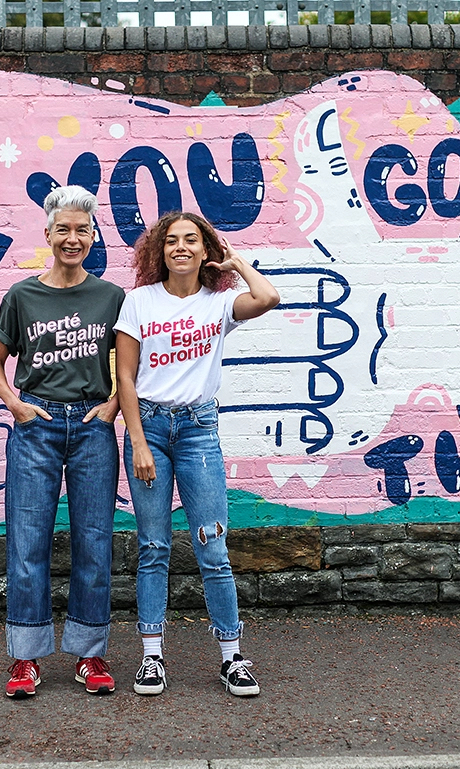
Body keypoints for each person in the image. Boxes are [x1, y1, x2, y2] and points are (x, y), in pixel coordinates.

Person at [114, 211, 280, 697]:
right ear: (158, 252)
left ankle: (232, 657)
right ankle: (151, 658)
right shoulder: (137, 302)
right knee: (153, 547)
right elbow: (125, 377)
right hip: (149, 429)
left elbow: (268, 298)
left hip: (198, 431)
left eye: (192, 240)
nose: (180, 248)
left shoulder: (221, 303)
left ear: (205, 249)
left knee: (212, 547)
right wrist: (139, 440)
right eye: (171, 241)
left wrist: (237, 261)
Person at [0, 186, 126, 699]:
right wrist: (16, 406)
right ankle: (26, 658)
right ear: (47, 234)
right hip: (36, 428)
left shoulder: (110, 297)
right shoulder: (21, 296)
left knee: (94, 541)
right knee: (28, 543)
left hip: (92, 431)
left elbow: (130, 364)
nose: (72, 238)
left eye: (82, 230)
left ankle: (90, 655)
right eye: (63, 229)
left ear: (93, 236)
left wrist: (111, 407)